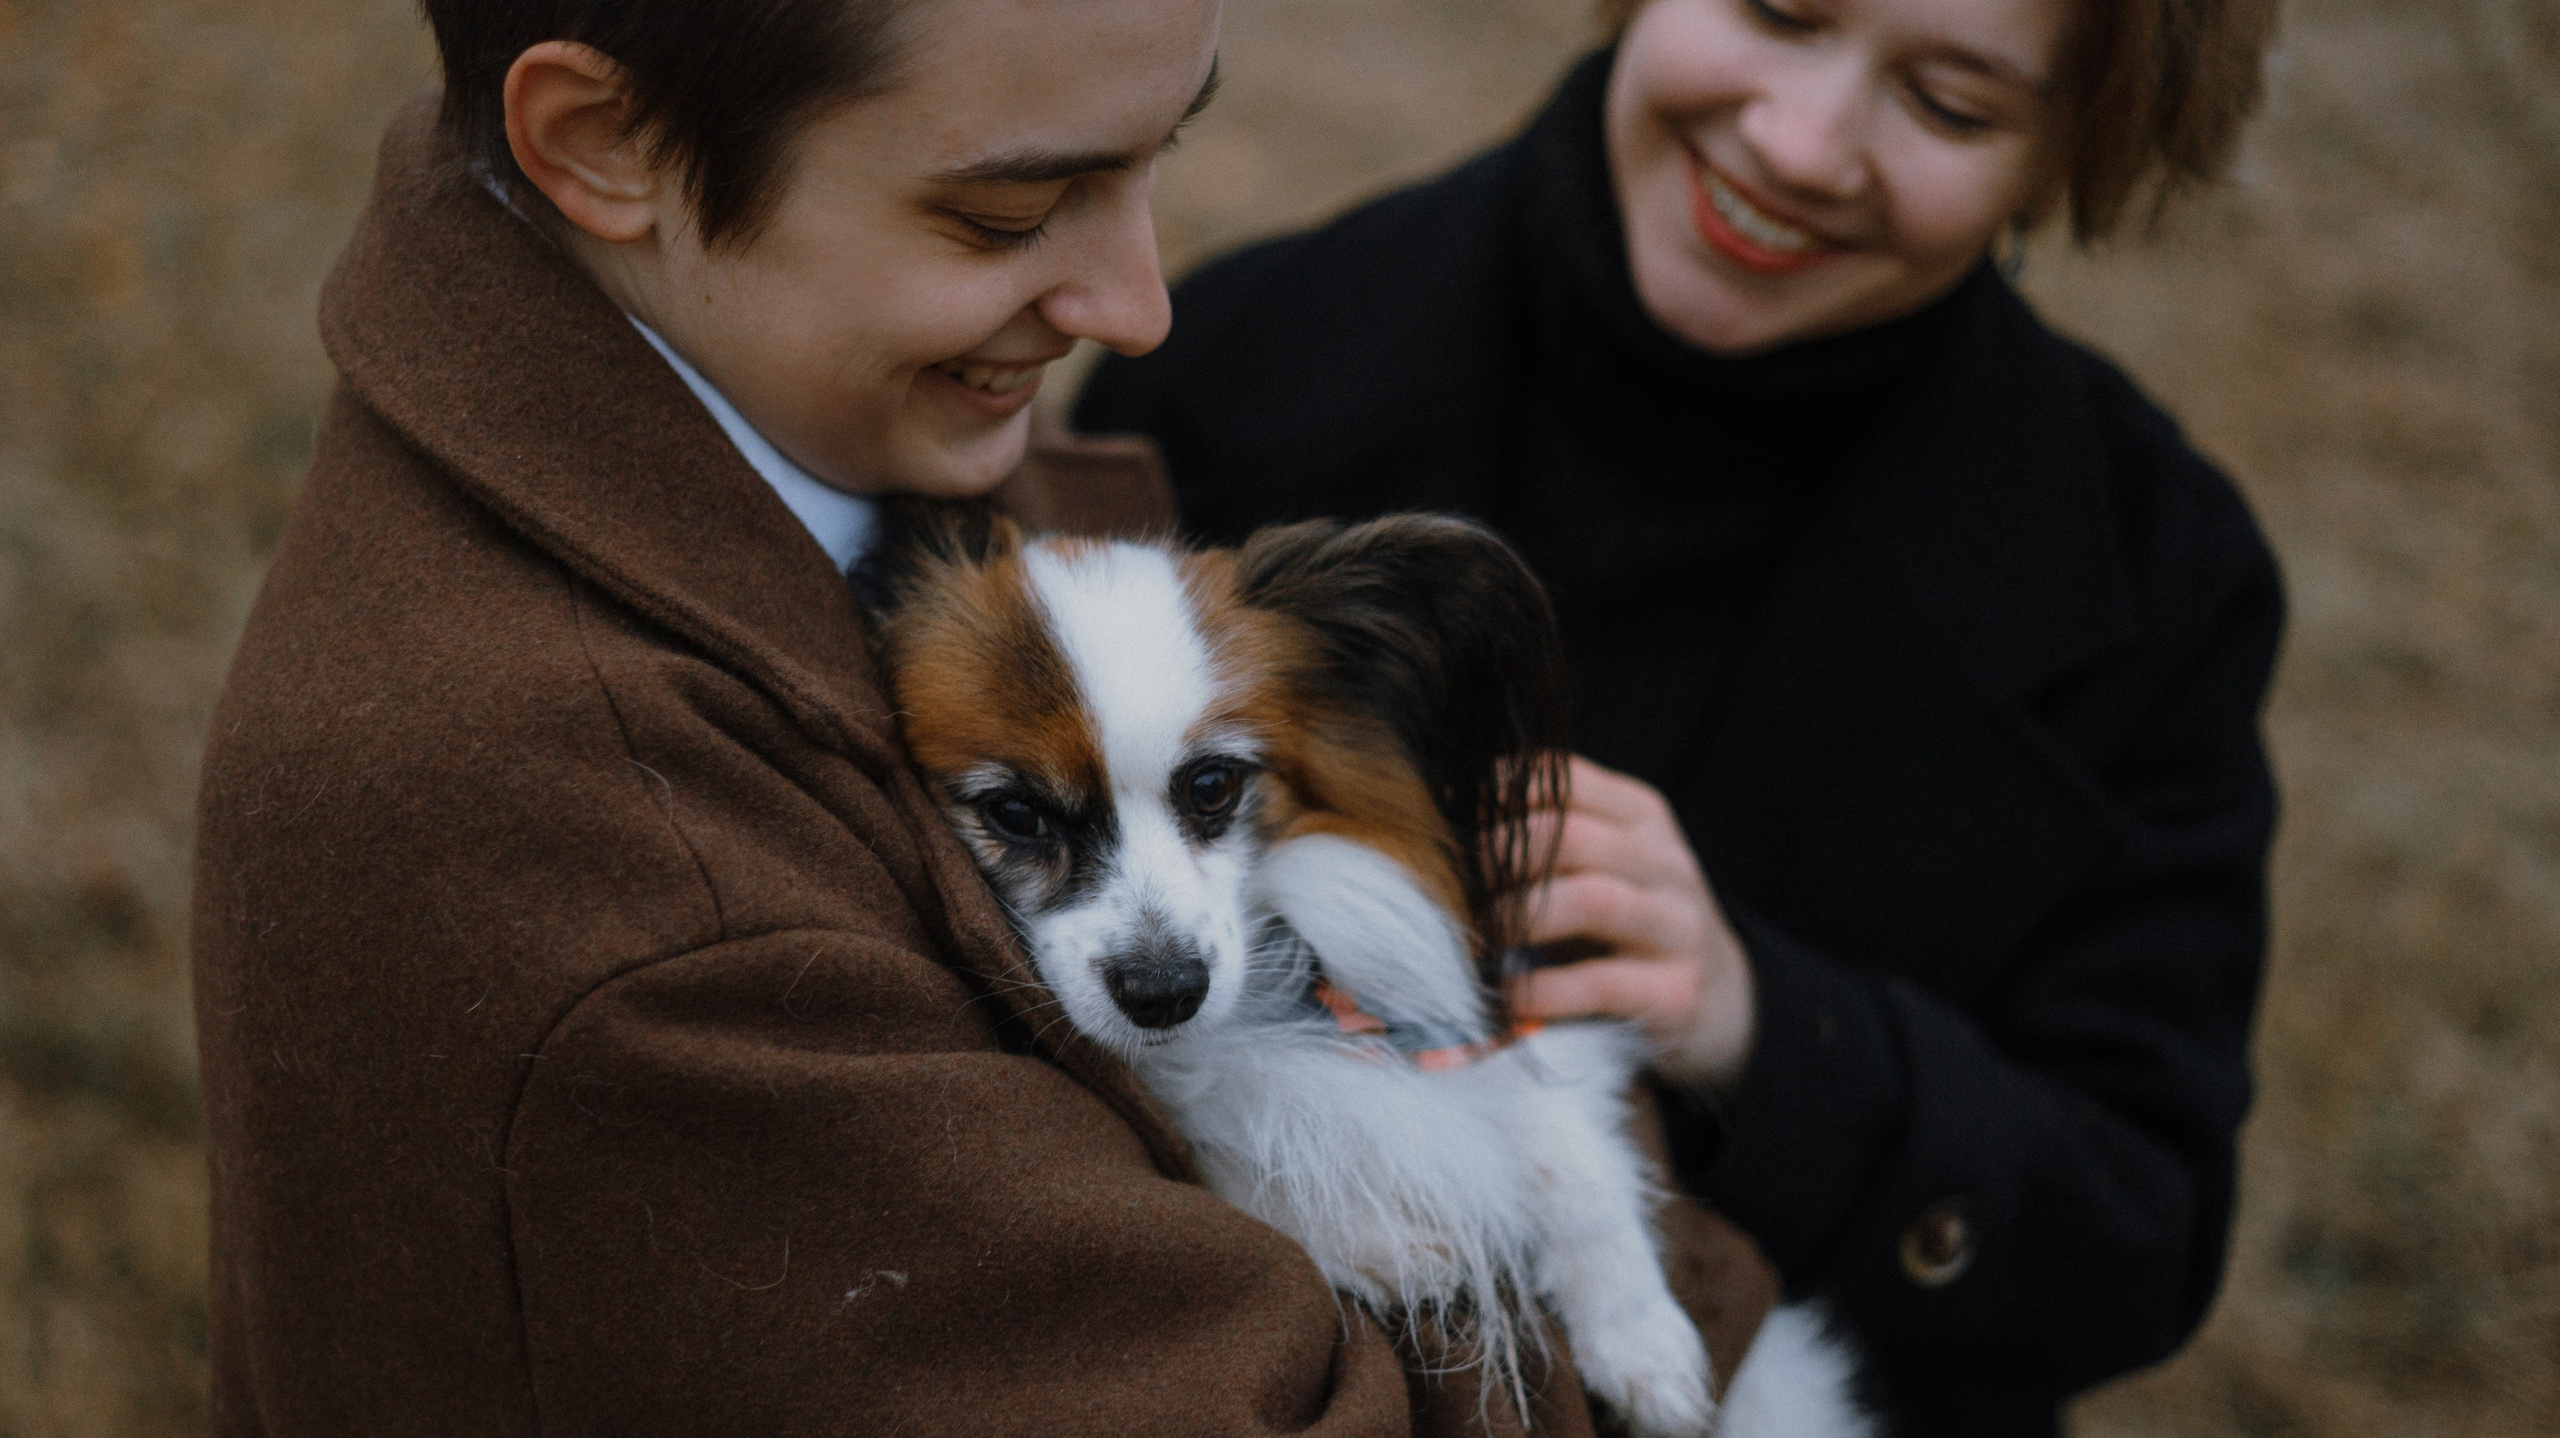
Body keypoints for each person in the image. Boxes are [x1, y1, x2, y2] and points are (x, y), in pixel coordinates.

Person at [186, 1, 1780, 1433]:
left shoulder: (783, 399)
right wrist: (1664, 1263)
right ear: (609, 146)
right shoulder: (626, 877)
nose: (1141, 307)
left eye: (1164, 149)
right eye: (1008, 207)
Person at [1077, 0, 2286, 1433]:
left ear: (2071, 154)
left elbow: (2137, 1240)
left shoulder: (2159, 573)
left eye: (1951, 105)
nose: (1797, 143)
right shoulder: (1228, 364)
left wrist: (1777, 1034)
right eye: (1777, 11)